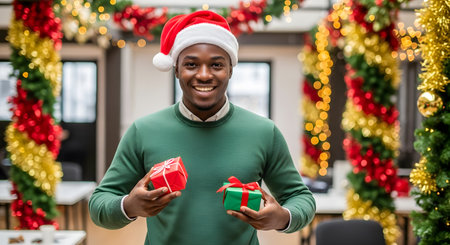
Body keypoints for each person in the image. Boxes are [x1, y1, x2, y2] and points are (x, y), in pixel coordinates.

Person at [89, 10, 316, 245]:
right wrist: (128, 206)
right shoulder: (143, 131)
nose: (204, 75)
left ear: (230, 69)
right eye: (191, 64)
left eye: (216, 64)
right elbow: (99, 204)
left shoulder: (264, 132)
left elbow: (300, 198)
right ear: (176, 69)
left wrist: (282, 218)